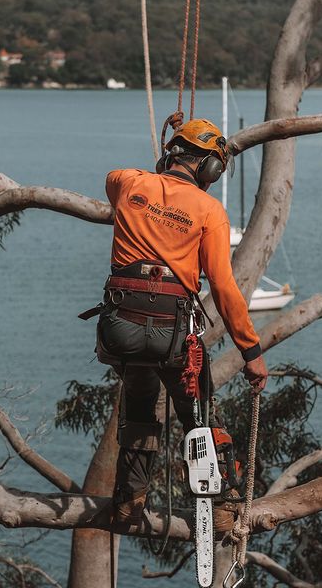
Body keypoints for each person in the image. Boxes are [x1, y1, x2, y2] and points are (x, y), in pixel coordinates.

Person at [93, 114, 268, 531]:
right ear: (209, 167)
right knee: (201, 416)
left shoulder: (128, 183)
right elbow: (224, 289)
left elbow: (116, 178)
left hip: (120, 330)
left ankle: (127, 503)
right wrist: (251, 353)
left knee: (138, 408)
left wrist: (164, 157)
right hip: (173, 337)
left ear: (172, 153)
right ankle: (222, 507)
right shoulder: (209, 210)